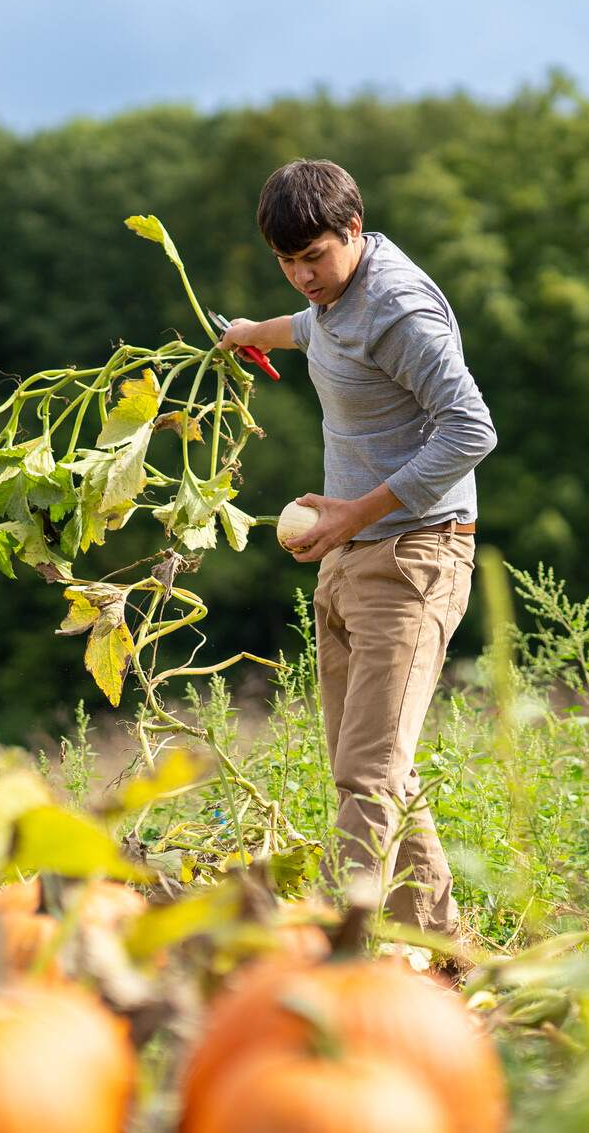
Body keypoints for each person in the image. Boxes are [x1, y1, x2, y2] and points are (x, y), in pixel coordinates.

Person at [218, 158, 497, 939]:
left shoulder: (399, 310)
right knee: (378, 773)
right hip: (350, 556)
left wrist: (355, 514)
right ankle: (440, 950)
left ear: (353, 229)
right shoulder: (336, 297)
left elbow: (472, 428)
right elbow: (309, 329)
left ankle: (339, 954)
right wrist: (248, 334)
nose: (304, 276)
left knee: (366, 776)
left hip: (414, 556)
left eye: (315, 256)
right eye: (287, 262)